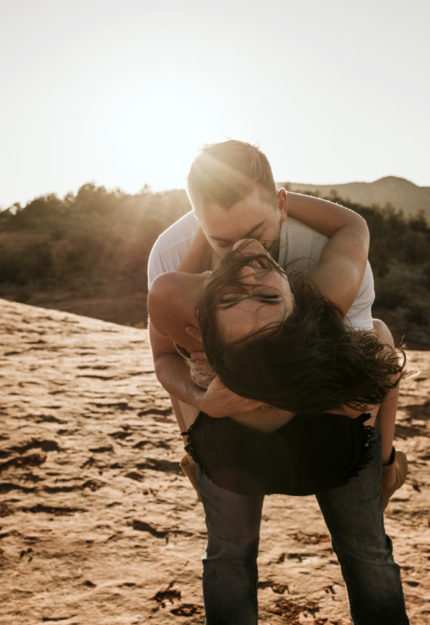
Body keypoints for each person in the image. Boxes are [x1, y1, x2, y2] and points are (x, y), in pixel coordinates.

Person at [147, 140, 409, 624]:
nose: (245, 253)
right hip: (230, 432)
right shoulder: (173, 253)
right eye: (223, 239)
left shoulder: (319, 267)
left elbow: (354, 389)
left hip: (319, 420)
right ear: (199, 221)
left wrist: (233, 393)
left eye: (255, 231)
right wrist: (206, 397)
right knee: (229, 555)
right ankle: (385, 466)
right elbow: (164, 355)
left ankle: (381, 467)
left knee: (365, 551)